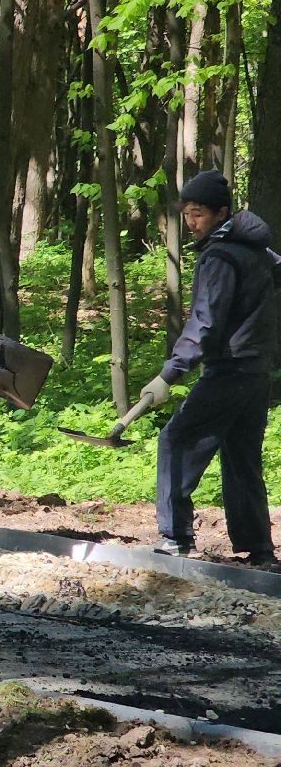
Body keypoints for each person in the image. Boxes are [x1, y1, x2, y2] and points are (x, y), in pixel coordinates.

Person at [136, 169, 276, 565]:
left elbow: (205, 322)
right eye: (186, 214)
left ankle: (175, 539)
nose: (191, 222)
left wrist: (170, 373)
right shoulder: (257, 250)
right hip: (257, 370)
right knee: (241, 456)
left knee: (176, 440)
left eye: (198, 214)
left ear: (221, 213)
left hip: (229, 369)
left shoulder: (219, 256)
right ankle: (260, 551)